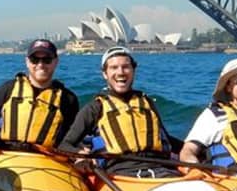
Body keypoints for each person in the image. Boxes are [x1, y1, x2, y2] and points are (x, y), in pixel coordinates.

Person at [59, 46, 184, 177]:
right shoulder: (95, 107)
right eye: (114, 67)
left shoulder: (147, 102)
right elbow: (65, 144)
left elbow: (165, 138)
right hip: (120, 173)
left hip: (161, 169)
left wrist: (193, 149)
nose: (121, 72)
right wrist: (80, 155)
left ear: (133, 70)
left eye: (126, 67)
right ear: (105, 73)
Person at [0, 38, 78, 162]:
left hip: (46, 159)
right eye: (35, 60)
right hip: (5, 155)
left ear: (56, 62)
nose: (40, 65)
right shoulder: (8, 89)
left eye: (47, 60)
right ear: (27, 62)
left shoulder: (68, 99)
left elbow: (71, 138)